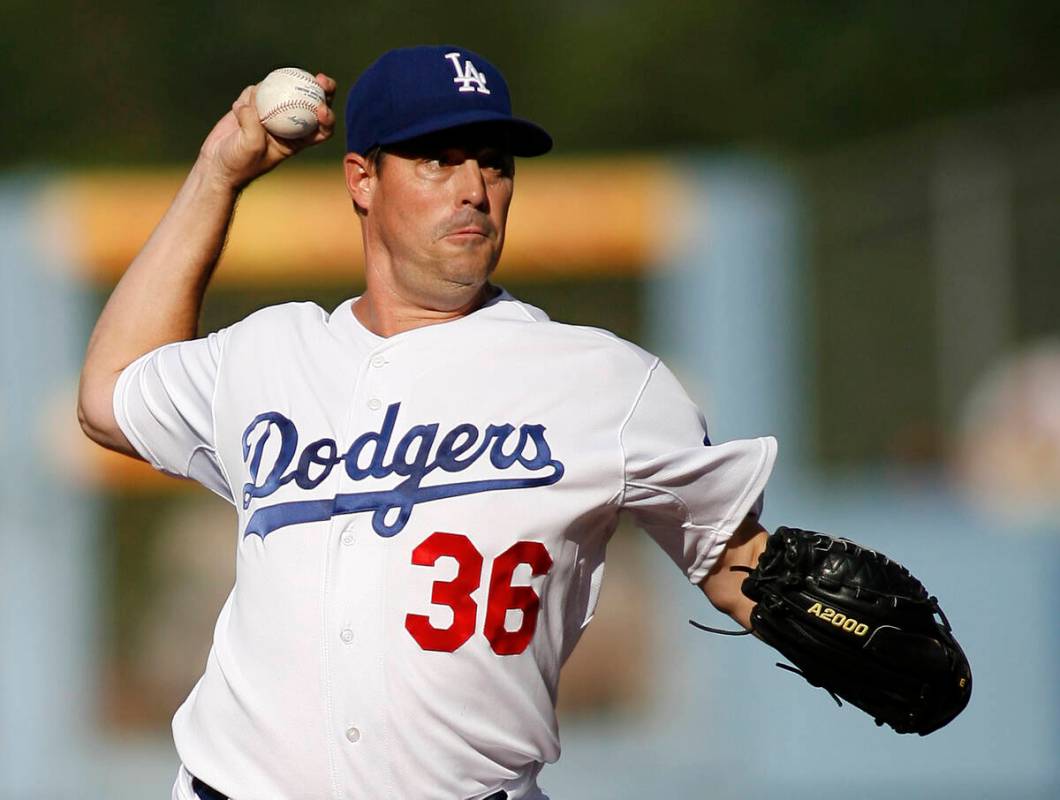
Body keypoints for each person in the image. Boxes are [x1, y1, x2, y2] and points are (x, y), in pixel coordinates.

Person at [78, 45, 776, 800]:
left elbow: (737, 564)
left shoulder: (605, 382)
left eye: (494, 162)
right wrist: (218, 174)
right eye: (439, 160)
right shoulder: (268, 353)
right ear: (363, 180)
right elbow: (108, 394)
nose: (475, 188)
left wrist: (856, 630)